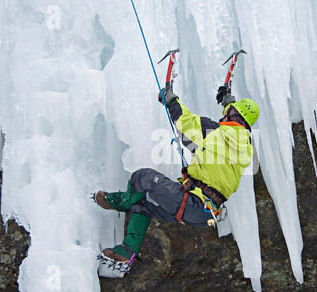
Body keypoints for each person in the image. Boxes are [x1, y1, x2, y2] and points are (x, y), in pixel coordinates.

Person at [94, 86, 260, 272]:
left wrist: (171, 100)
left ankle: (118, 201)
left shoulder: (215, 132)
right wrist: (228, 102)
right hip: (205, 215)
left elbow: (185, 123)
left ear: (233, 114)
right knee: (142, 203)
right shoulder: (245, 146)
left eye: (229, 112)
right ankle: (125, 253)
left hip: (192, 202)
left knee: (143, 177)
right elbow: (232, 124)